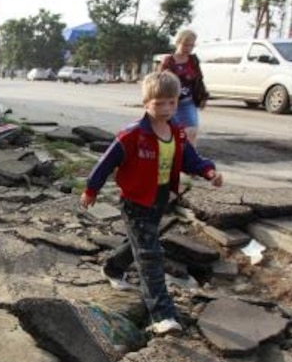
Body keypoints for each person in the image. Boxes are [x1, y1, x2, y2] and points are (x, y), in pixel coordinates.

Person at [79, 70, 223, 336]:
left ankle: (112, 267)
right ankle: (163, 315)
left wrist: (209, 172)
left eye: (172, 102)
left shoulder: (177, 133)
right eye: (159, 103)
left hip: (159, 197)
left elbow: (192, 159)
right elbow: (106, 163)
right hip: (134, 200)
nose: (167, 108)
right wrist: (91, 189)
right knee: (150, 254)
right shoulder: (132, 135)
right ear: (146, 103)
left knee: (141, 241)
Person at [159, 29, 208, 146]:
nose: (188, 48)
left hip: (188, 102)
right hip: (171, 103)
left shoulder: (193, 60)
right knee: (171, 132)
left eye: (191, 45)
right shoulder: (168, 61)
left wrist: (203, 97)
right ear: (178, 42)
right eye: (185, 44)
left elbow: (199, 80)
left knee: (192, 131)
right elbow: (159, 81)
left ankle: (190, 159)